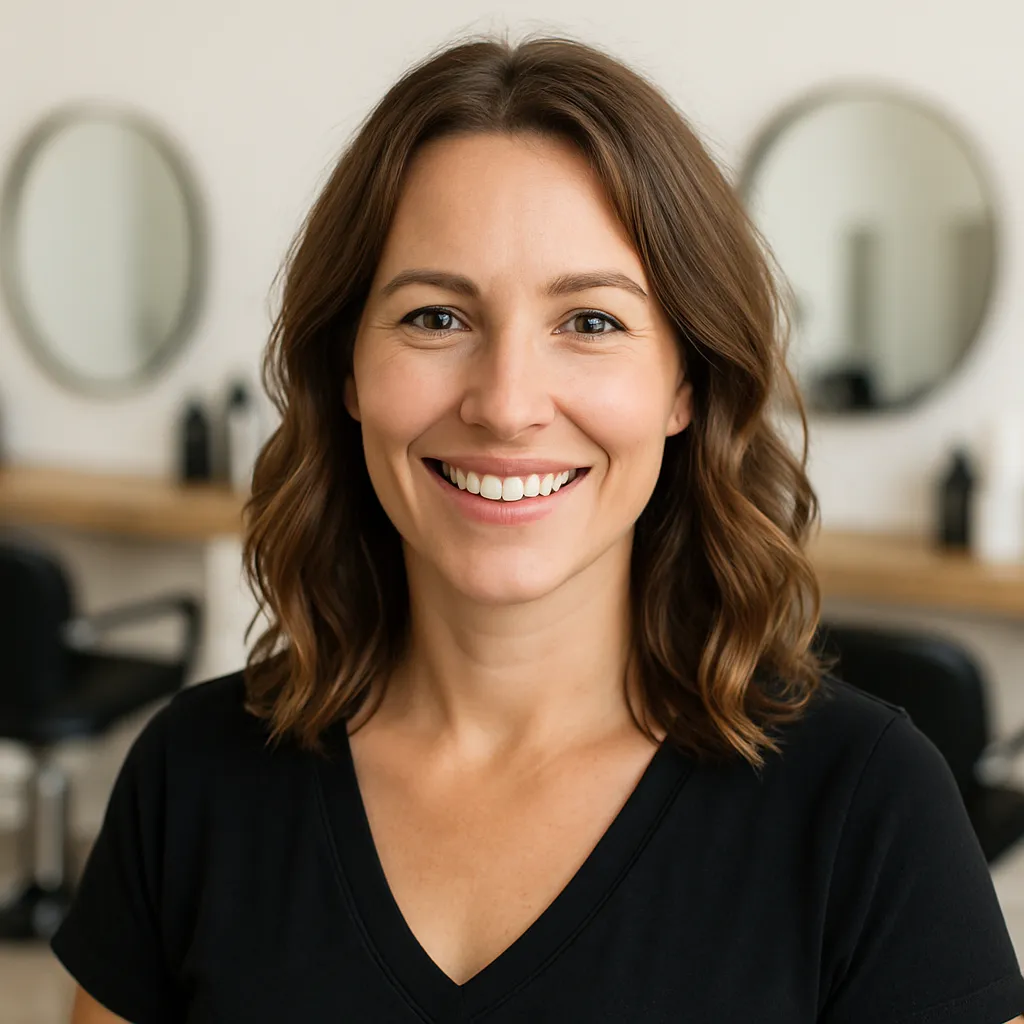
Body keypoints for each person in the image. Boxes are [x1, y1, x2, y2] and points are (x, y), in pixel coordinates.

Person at [53, 34, 1024, 1024]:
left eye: (591, 322)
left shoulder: (866, 808)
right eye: (435, 317)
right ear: (346, 371)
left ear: (684, 383)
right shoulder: (192, 777)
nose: (506, 403)